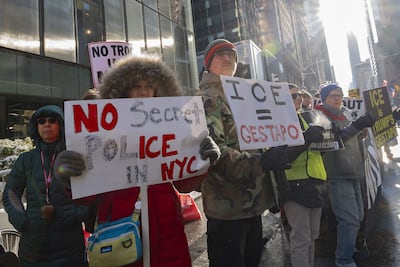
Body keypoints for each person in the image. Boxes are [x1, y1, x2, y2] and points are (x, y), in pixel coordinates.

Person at [54, 55, 220, 267]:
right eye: (136, 86)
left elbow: (183, 184)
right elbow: (87, 196)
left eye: (148, 86)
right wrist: (69, 176)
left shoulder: (172, 127)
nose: (143, 91)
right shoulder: (102, 132)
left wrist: (203, 159)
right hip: (119, 235)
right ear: (123, 90)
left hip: (168, 236)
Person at [198, 38, 289, 267]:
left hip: (253, 205)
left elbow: (260, 138)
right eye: (221, 55)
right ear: (208, 63)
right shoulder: (206, 98)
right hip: (227, 211)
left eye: (233, 55)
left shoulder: (244, 96)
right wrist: (265, 161)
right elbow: (217, 154)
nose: (228, 58)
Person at [2, 105, 91, 267]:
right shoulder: (26, 160)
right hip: (33, 246)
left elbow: (89, 190)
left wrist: (75, 214)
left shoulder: (73, 157)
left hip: (69, 244)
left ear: (61, 125)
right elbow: (11, 192)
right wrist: (21, 220)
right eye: (41, 121)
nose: (46, 124)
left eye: (52, 120)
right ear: (36, 126)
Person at [315, 84, 375, 267]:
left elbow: (350, 137)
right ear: (324, 98)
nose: (338, 98)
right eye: (333, 95)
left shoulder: (345, 113)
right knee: (349, 220)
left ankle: (348, 249)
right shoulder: (319, 116)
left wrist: (361, 133)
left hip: (353, 172)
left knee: (356, 217)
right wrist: (356, 127)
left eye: (339, 95)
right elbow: (332, 141)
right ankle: (344, 259)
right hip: (337, 174)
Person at [284, 84, 327, 267]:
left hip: (315, 182)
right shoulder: (278, 121)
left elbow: (315, 151)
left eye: (299, 95)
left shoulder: (304, 118)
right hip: (295, 185)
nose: (299, 98)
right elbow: (282, 155)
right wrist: (307, 138)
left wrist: (330, 140)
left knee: (312, 236)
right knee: (302, 238)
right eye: (293, 96)